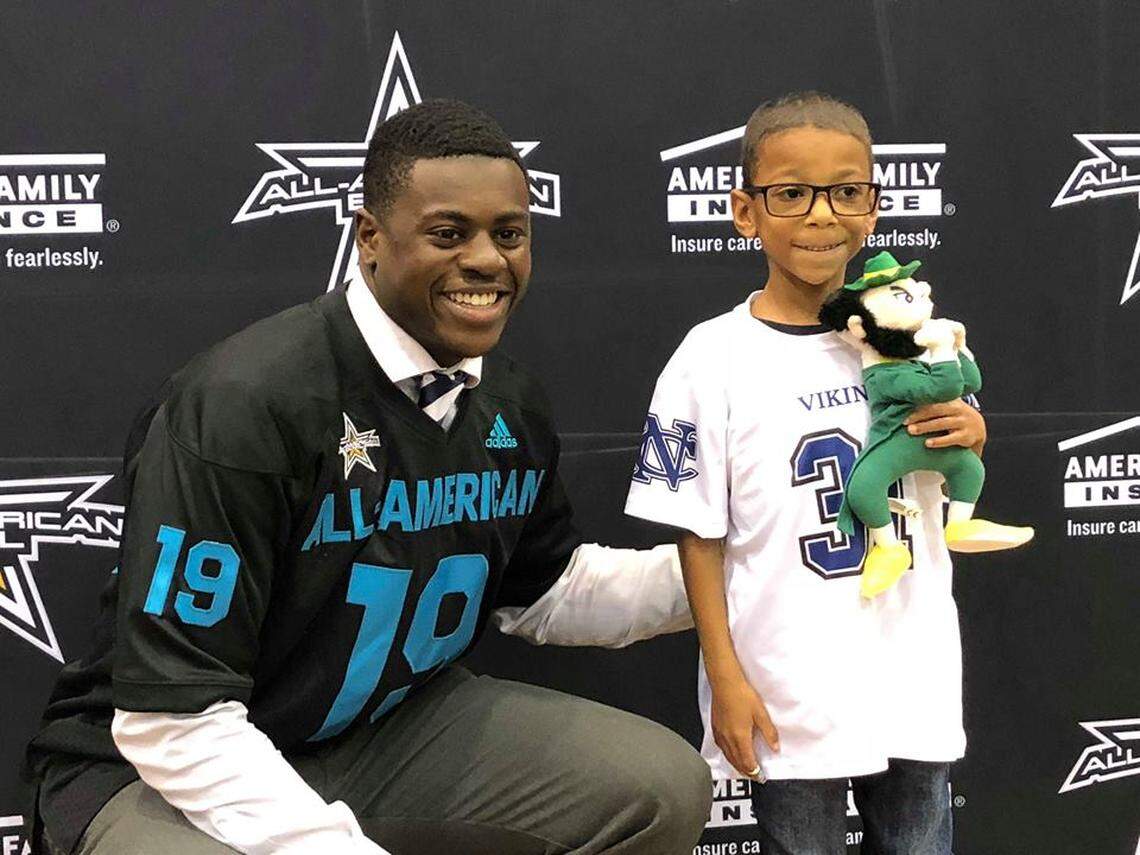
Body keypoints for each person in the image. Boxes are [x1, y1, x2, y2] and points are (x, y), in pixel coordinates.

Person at [25, 99, 712, 855]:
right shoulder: (245, 400)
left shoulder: (507, 397)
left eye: (509, 234)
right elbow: (173, 717)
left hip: (377, 728)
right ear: (370, 240)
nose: (487, 259)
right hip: (156, 765)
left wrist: (742, 574)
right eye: (448, 233)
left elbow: (545, 591)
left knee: (657, 787)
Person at [625, 92, 986, 855]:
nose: (822, 214)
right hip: (786, 677)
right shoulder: (710, 357)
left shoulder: (920, 338)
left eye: (846, 191)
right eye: (791, 193)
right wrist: (725, 676)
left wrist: (971, 434)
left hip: (911, 664)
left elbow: (945, 470)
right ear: (745, 211)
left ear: (875, 209)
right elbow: (699, 533)